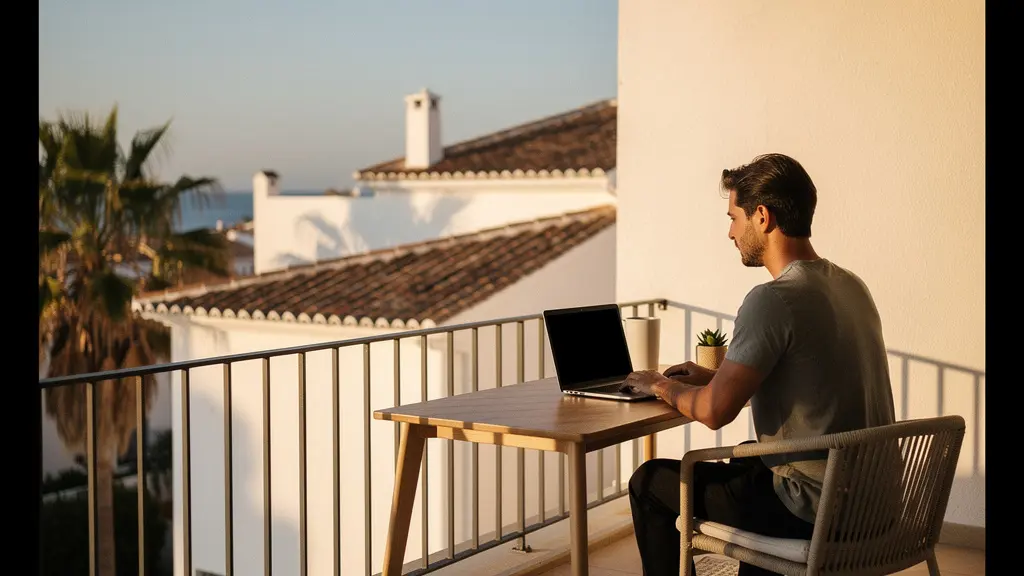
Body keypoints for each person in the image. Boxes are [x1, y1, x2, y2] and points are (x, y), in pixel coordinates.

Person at [620, 153, 896, 576]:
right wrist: (716, 377)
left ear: (762, 217)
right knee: (748, 461)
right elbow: (810, 380)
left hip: (816, 510)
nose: (730, 232)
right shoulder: (850, 286)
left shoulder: (774, 299)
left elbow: (713, 412)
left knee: (650, 483)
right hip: (874, 504)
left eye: (734, 218)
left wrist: (659, 384)